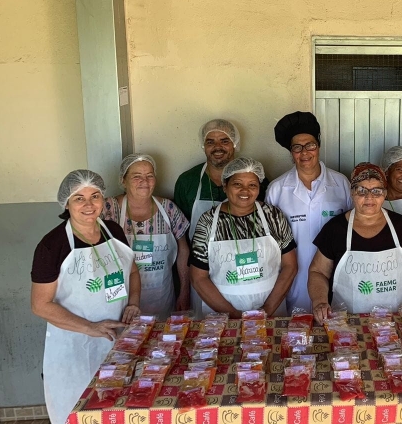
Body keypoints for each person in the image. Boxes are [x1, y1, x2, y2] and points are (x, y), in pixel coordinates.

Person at [30, 170, 140, 424]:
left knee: (118, 409)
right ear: (66, 203)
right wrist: (90, 327)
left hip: (118, 339)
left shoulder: (113, 231)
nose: (89, 205)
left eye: (95, 196)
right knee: (78, 412)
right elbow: (40, 305)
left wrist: (133, 302)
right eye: (79, 198)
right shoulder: (52, 245)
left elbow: (133, 271)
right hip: (74, 347)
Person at [308, 163, 402, 322]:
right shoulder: (335, 229)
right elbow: (318, 271)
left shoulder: (399, 225)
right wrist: (320, 301)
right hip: (348, 324)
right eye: (362, 190)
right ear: (352, 192)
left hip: (400, 321)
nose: (369, 197)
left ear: (384, 193)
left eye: (376, 191)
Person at [265, 111, 352, 312]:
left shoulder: (341, 184)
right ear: (291, 152)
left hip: (335, 271)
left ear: (318, 146)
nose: (304, 152)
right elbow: (269, 242)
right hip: (292, 276)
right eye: (297, 147)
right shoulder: (277, 189)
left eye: (310, 145)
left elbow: (354, 227)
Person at [190, 158, 298, 317]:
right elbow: (198, 278)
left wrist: (266, 310)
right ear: (225, 186)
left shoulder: (273, 217)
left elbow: (290, 266)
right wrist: (233, 315)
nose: (245, 191)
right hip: (221, 318)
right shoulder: (208, 222)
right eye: (237, 184)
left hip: (272, 311)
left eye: (252, 185)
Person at [102, 154, 191, 318]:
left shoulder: (168, 209)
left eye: (150, 175)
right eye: (137, 176)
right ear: (123, 180)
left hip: (161, 296)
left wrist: (184, 291)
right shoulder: (108, 209)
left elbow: (183, 251)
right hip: (119, 297)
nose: (145, 181)